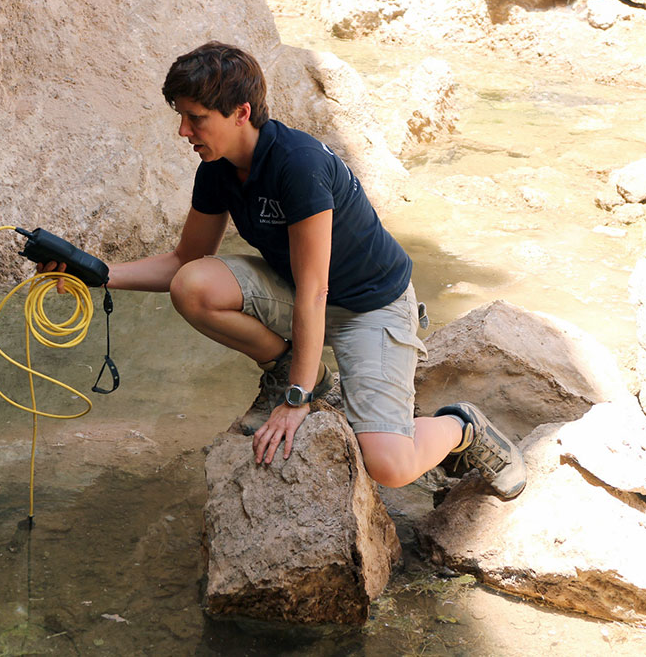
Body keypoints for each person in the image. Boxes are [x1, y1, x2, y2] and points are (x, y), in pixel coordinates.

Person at [47, 41, 526, 498]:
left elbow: (316, 291)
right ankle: (299, 372)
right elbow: (183, 262)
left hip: (369, 307)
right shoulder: (216, 168)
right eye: (182, 117)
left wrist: (295, 404)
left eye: (196, 119)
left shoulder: (298, 164)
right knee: (193, 285)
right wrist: (96, 272)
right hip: (299, 293)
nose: (184, 133)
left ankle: (463, 426)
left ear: (242, 113)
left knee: (390, 466)